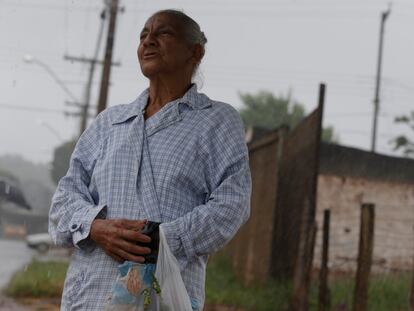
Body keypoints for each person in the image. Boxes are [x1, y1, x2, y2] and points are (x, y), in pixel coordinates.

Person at [49, 9, 251, 311]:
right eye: (144, 34)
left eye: (164, 33)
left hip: (164, 296)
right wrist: (96, 227)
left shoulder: (217, 122)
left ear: (195, 52)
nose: (149, 41)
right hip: (89, 295)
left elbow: (232, 204)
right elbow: (63, 201)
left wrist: (160, 240)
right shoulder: (110, 122)